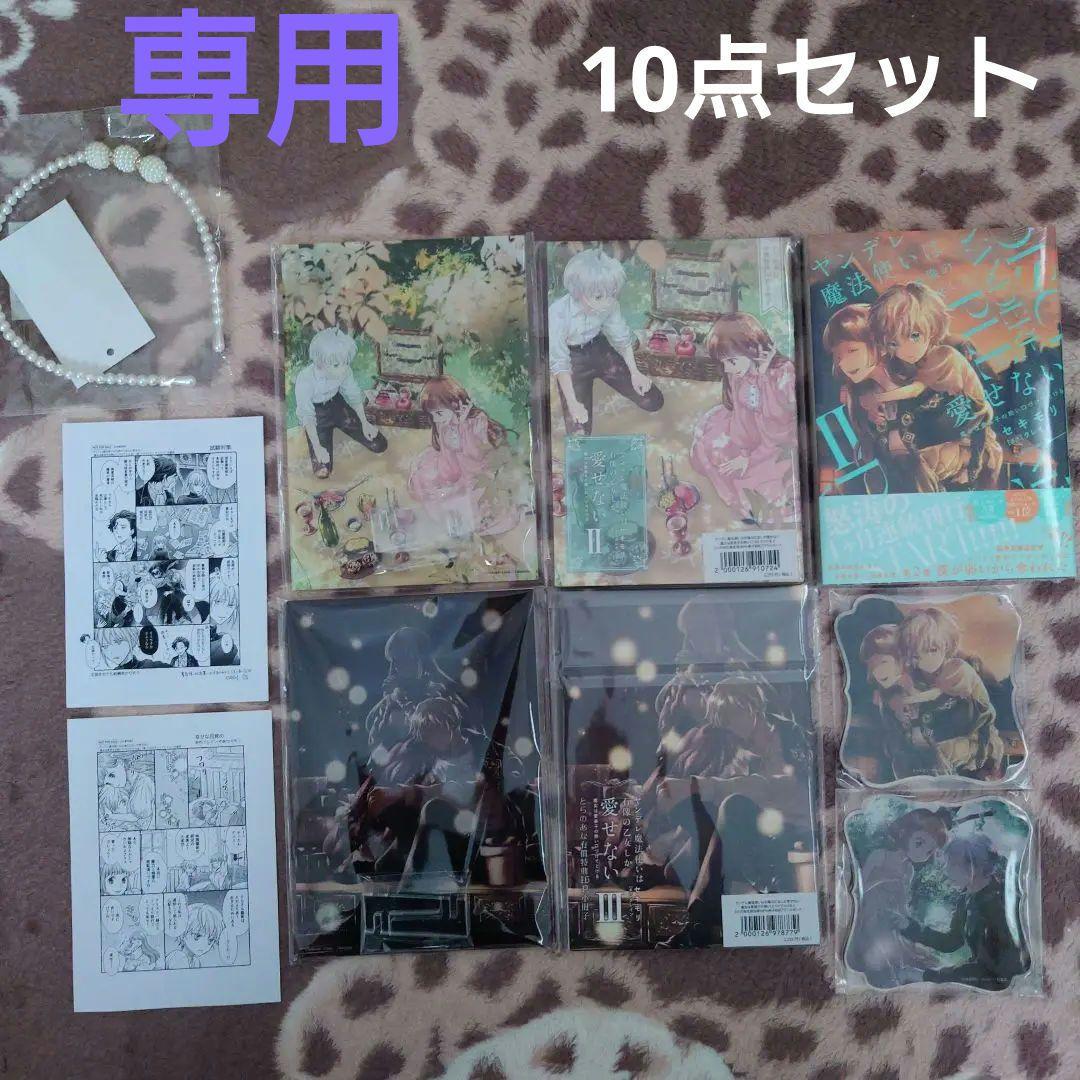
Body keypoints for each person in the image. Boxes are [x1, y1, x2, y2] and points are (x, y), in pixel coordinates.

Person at [869, 282, 1003, 491]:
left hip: (969, 433)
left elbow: (917, 390)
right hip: (939, 436)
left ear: (932, 329)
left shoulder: (945, 356)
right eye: (894, 342)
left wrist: (879, 398)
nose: (906, 349)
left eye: (914, 335)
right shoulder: (900, 364)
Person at [690, 312, 797, 520]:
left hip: (779, 439)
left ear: (752, 349)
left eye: (731, 360)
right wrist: (744, 451)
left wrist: (764, 377)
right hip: (750, 434)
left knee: (761, 488)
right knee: (710, 449)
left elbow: (781, 423)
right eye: (723, 362)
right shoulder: (736, 374)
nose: (727, 368)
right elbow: (741, 415)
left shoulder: (784, 372)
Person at [548, 248, 663, 435]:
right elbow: (560, 364)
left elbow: (621, 338)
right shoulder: (557, 314)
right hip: (573, 359)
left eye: (612, 294)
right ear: (579, 292)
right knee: (579, 432)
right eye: (598, 297)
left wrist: (635, 372)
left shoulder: (610, 304)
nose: (606, 302)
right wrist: (573, 403)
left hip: (599, 348)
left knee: (653, 400)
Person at [408, 375, 524, 548]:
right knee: (425, 479)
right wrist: (447, 477)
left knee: (473, 506)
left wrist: (464, 427)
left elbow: (479, 455)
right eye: (433, 415)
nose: (437, 419)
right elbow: (447, 455)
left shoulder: (477, 421)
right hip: (454, 467)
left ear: (454, 404)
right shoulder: (443, 423)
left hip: (478, 470)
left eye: (439, 413)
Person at [903, 833, 1029, 990]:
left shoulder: (996, 906)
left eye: (952, 864)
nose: (946, 871)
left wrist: (929, 977)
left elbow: (989, 971)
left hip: (1007, 989)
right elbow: (952, 941)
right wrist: (908, 927)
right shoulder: (968, 897)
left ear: (974, 867)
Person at [897, 607, 1005, 780]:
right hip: (937, 744)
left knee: (940, 755)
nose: (924, 659)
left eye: (932, 649)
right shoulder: (917, 677)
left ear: (946, 646)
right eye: (916, 653)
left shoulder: (958, 669)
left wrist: (908, 697)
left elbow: (935, 695)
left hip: (977, 741)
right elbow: (913, 723)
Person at [846, 808, 949, 988]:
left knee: (902, 948)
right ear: (904, 834)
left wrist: (905, 922)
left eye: (929, 852)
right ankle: (884, 972)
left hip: (890, 915)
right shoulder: (880, 856)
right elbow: (859, 887)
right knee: (877, 945)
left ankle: (897, 973)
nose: (922, 853)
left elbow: (902, 901)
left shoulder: (909, 870)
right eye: (919, 843)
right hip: (868, 912)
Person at [294, 326, 387, 479]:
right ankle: (322, 444)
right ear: (320, 363)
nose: (343, 369)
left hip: (337, 404)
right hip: (317, 413)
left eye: (346, 363)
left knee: (379, 444)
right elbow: (307, 416)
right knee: (323, 468)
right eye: (336, 365)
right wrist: (317, 447)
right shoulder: (305, 380)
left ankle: (346, 430)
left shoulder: (345, 370)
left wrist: (364, 423)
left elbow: (353, 395)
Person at [166, 904, 225, 969]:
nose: (204, 944)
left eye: (210, 940)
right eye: (197, 936)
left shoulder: (195, 961)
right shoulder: (178, 958)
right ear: (183, 932)